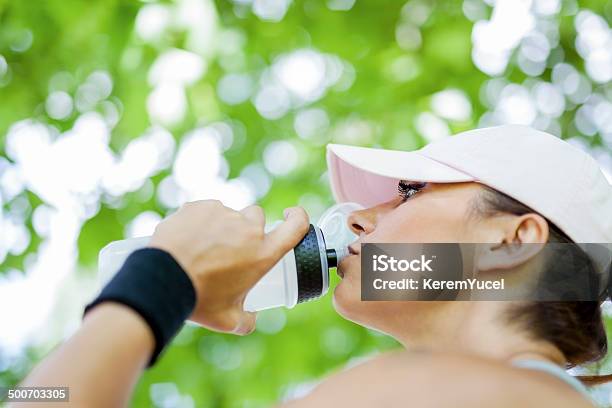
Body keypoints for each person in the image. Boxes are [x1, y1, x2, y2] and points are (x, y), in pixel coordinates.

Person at [11, 125, 611, 407]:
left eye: (407, 191)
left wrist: (162, 277)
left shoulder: (435, 395)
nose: (355, 218)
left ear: (514, 241)